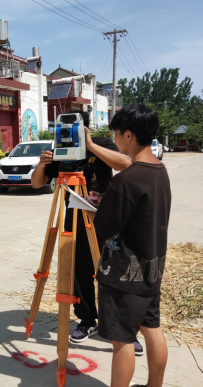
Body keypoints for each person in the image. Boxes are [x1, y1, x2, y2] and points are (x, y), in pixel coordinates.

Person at [31, 109, 146, 355]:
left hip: (106, 220)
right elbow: (37, 183)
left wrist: (90, 145)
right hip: (74, 221)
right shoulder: (59, 150)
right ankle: (87, 320)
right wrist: (42, 164)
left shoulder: (101, 144)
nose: (67, 133)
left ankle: (123, 329)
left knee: (114, 274)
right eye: (63, 129)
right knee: (79, 273)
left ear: (83, 128)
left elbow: (126, 164)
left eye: (72, 128)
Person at [87, 105, 171, 387]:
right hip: (151, 267)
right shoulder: (159, 170)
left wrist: (93, 210)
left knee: (121, 338)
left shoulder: (127, 178)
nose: (114, 139)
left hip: (124, 273)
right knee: (151, 327)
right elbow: (139, 212)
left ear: (128, 135)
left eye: (116, 133)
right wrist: (108, 202)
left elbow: (104, 227)